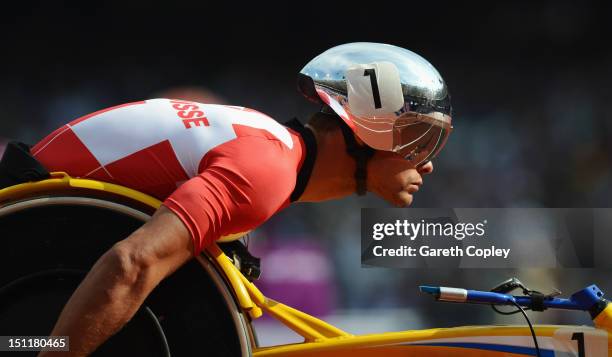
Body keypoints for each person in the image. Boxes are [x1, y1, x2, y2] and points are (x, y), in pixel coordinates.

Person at [32, 42, 452, 356]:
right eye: (417, 142)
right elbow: (131, 263)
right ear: (364, 134)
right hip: (27, 245)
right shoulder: (266, 172)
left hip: (39, 259)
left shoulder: (272, 147)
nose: (429, 164)